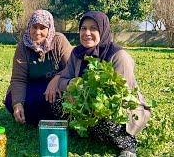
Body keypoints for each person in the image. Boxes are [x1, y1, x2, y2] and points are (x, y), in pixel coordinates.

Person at [57, 11, 151, 156]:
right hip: (85, 105)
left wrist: (91, 99)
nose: (87, 33)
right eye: (83, 28)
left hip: (119, 109)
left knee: (105, 120)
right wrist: (71, 84)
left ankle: (127, 145)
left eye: (93, 28)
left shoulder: (118, 56)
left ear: (103, 30)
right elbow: (62, 81)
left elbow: (121, 97)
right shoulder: (77, 53)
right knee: (56, 103)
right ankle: (88, 131)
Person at [4, 9, 73, 126]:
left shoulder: (59, 40)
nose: (37, 32)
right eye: (34, 27)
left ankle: (44, 116)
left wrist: (56, 78)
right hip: (32, 86)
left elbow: (72, 67)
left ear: (49, 28)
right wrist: (17, 103)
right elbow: (18, 79)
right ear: (29, 27)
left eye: (42, 28)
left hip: (55, 88)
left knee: (55, 101)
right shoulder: (23, 46)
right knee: (12, 100)